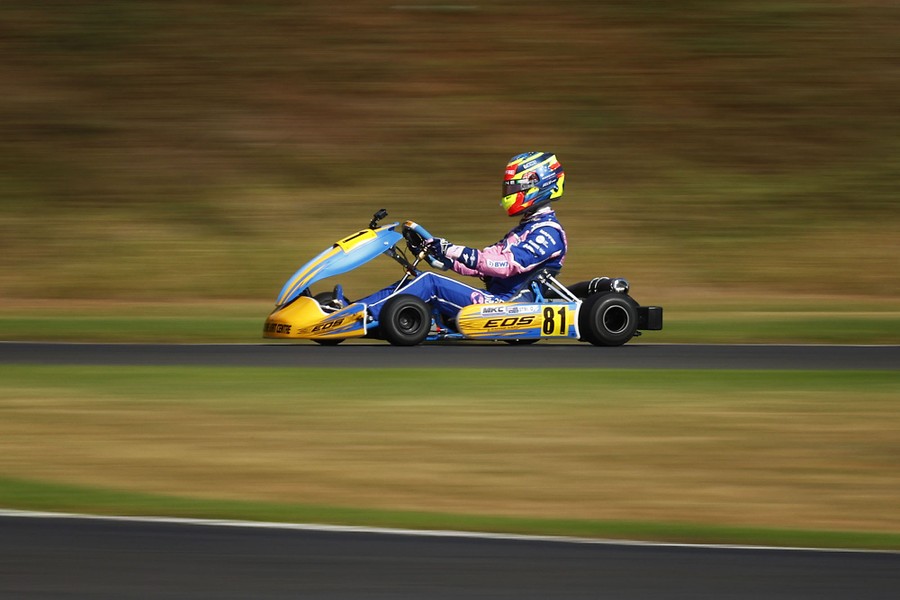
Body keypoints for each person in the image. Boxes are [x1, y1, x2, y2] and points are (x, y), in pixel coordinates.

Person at [358, 151, 568, 324]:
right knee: (416, 280)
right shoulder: (523, 231)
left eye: (513, 187)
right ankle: (352, 309)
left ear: (538, 185)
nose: (508, 193)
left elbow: (505, 266)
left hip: (507, 307)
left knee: (430, 283)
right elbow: (482, 264)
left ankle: (363, 317)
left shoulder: (548, 233)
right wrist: (443, 256)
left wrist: (452, 249)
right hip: (495, 301)